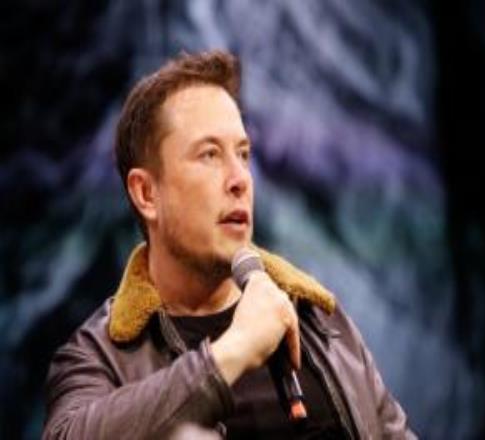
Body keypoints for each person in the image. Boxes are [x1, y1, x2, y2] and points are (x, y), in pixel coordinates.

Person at [43, 50, 416, 439]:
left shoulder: (317, 319)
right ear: (146, 194)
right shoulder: (98, 355)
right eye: (210, 154)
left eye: (243, 154)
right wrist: (231, 353)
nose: (240, 179)